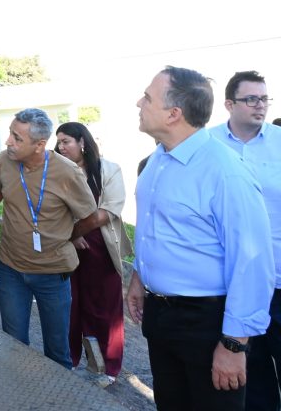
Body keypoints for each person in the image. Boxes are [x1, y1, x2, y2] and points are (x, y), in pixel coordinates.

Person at [126, 66, 274, 411]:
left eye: (147, 98)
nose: (139, 103)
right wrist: (139, 277)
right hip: (162, 317)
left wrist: (234, 346)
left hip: (207, 323)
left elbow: (252, 264)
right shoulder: (157, 161)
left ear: (174, 114)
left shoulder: (225, 171)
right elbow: (155, 229)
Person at [0, 108, 98, 369]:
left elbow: (90, 217)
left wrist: (66, 238)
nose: (8, 142)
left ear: (39, 145)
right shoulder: (5, 161)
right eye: (11, 134)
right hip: (11, 271)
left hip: (52, 273)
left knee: (57, 354)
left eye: (17, 138)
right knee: (13, 346)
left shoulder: (67, 172)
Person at [210, 70, 281, 411]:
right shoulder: (208, 147)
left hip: (280, 283)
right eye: (251, 99)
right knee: (250, 383)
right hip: (233, 287)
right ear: (229, 104)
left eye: (264, 99)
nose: (261, 106)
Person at [55, 122, 131, 386]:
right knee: (72, 306)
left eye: (67, 141)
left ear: (82, 142)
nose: (61, 147)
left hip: (100, 247)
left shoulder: (108, 169)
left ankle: (109, 368)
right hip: (68, 249)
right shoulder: (56, 170)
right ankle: (72, 360)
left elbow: (107, 212)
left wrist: (75, 232)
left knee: (105, 308)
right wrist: (70, 237)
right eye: (59, 142)